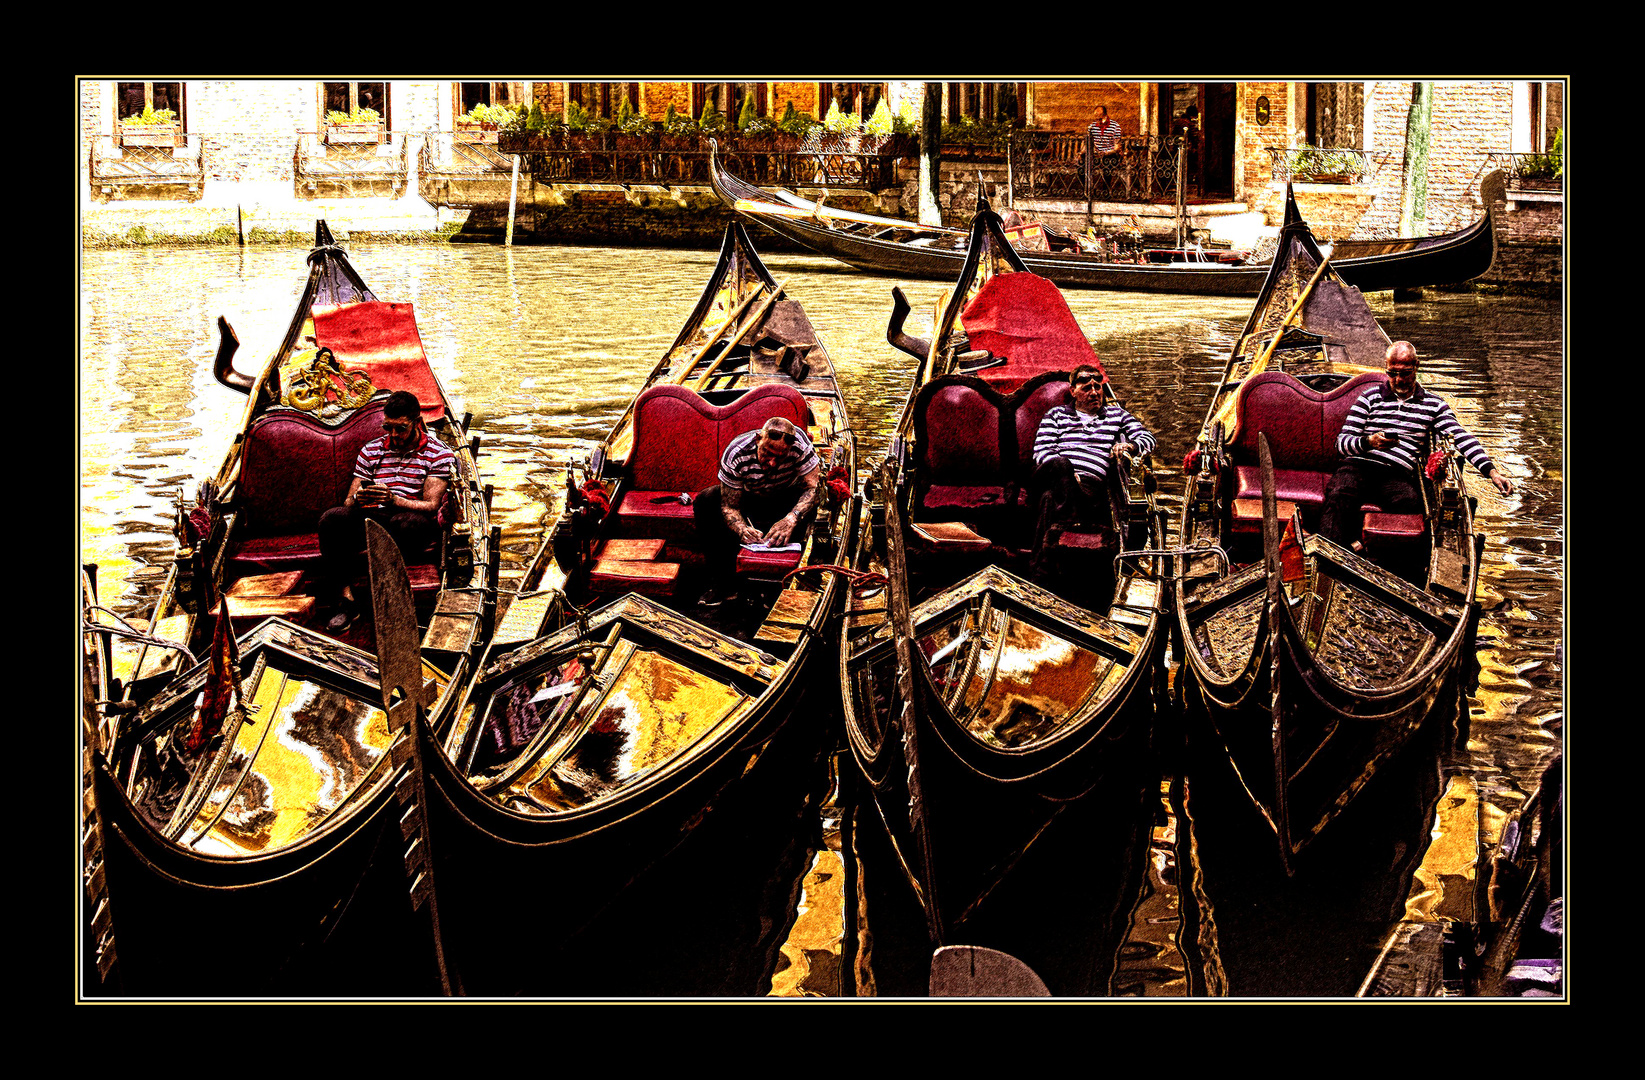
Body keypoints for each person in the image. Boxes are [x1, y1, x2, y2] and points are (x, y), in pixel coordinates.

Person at [1319, 341, 1515, 545]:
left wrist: (1492, 472)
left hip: (1396, 473)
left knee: (1411, 504)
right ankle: (1329, 557)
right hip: (1358, 466)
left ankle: (1368, 551)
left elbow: (1460, 437)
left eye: (1405, 373)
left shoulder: (1434, 405)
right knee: (1339, 494)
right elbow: (1342, 444)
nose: (1398, 380)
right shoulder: (1369, 397)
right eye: (1393, 373)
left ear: (1416, 367)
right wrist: (1369, 442)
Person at [317, 390, 455, 630]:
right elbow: (348, 501)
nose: (393, 435)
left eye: (400, 429)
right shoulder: (371, 450)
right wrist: (360, 498)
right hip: (373, 515)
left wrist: (394, 499)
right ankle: (346, 600)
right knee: (332, 519)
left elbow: (431, 506)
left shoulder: (439, 454)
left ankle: (386, 599)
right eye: (387, 428)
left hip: (413, 520)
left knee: (405, 524)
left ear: (417, 423)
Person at [1027, 364, 1156, 578]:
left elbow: (1148, 439)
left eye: (1098, 386)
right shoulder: (1056, 415)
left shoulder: (1117, 415)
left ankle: (1040, 569)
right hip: (1053, 476)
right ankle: (1068, 532)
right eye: (1087, 388)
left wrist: (1129, 446)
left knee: (1049, 500)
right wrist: (1066, 476)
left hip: (1089, 488)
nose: (1095, 392)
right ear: (1073, 392)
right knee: (1061, 467)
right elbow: (1042, 451)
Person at [691, 417, 822, 605]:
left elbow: (814, 488)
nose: (772, 464)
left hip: (788, 496)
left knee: (816, 504)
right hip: (750, 497)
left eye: (780, 457)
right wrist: (742, 529)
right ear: (757, 439)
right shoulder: (736, 453)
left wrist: (792, 518)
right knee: (706, 499)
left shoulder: (801, 447)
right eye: (767, 454)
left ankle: (796, 580)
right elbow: (730, 506)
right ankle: (724, 584)